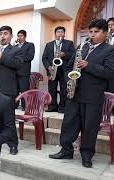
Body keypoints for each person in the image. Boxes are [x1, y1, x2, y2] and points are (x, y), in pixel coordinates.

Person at [49, 19, 114, 168]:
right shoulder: (82, 46)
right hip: (74, 93)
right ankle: (66, 150)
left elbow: (110, 72)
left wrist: (89, 65)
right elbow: (67, 66)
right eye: (90, 32)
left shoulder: (110, 50)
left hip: (92, 96)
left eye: (96, 32)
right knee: (68, 124)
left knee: (89, 127)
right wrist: (68, 79)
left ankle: (86, 155)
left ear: (105, 33)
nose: (92, 35)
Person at [0, 25, 23, 155]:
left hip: (8, 90)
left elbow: (19, 64)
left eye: (5, 34)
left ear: (11, 36)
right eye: (1, 34)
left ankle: (13, 144)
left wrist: (1, 58)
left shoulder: (16, 50)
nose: (2, 36)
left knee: (8, 120)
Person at [42, 26, 75, 113]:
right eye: (58, 32)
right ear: (55, 34)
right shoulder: (49, 44)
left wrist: (64, 54)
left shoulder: (69, 43)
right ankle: (52, 106)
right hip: (52, 69)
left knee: (64, 89)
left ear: (64, 34)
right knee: (51, 89)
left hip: (64, 70)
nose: (60, 33)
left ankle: (62, 107)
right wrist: (48, 67)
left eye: (62, 32)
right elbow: (44, 58)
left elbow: (73, 55)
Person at [15, 30, 35, 110]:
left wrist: (18, 57)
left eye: (21, 36)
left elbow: (30, 57)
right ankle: (14, 105)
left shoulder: (30, 45)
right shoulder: (15, 46)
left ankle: (25, 106)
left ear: (25, 36)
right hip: (14, 71)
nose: (19, 37)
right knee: (15, 89)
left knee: (24, 89)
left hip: (24, 71)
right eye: (18, 36)